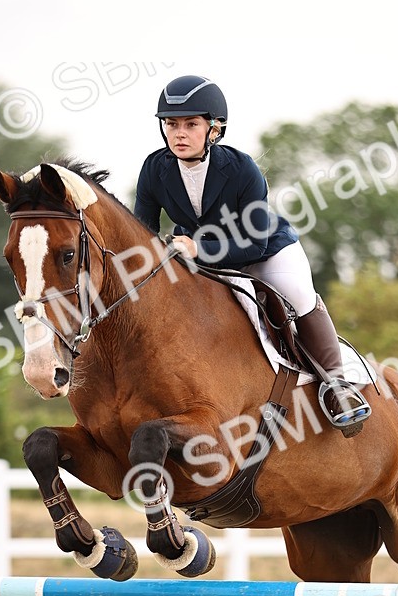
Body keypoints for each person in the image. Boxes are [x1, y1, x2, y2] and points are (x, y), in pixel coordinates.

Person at [134, 74, 371, 437]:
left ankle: (337, 386)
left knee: (299, 295)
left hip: (263, 251)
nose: (179, 133)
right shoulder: (155, 168)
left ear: (214, 129)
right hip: (195, 255)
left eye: (191, 124)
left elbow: (254, 245)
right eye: (171, 124)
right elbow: (143, 232)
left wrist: (198, 250)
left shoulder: (242, 169)